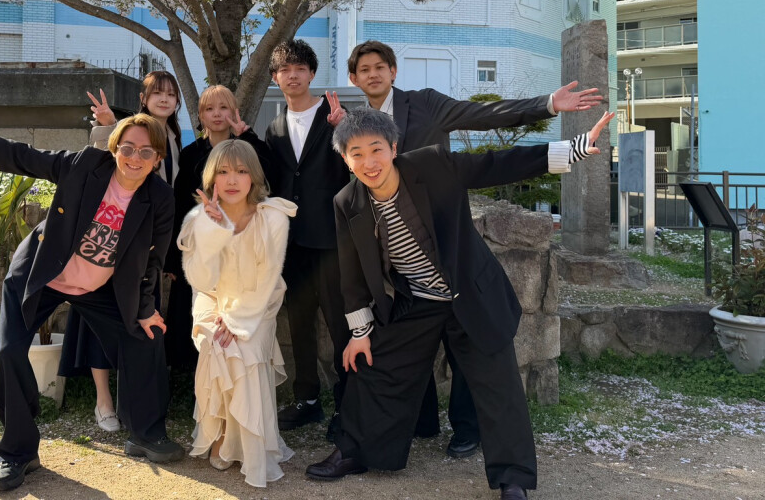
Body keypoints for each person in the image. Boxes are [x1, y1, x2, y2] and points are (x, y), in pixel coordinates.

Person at [304, 107, 613, 500]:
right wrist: (360, 333)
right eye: (357, 154)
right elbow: (352, 273)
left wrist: (575, 148)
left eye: (376, 149)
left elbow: (496, 164)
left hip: (469, 291)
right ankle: (354, 451)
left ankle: (513, 477)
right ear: (346, 160)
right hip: (418, 300)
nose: (369, 162)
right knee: (374, 365)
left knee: (498, 384)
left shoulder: (431, 165)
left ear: (393, 147)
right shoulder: (347, 201)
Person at [345, 40, 603, 457]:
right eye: (364, 69)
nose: (372, 74)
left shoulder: (425, 104)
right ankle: (417, 424)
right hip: (401, 261)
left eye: (380, 66)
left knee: (470, 340)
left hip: (449, 248)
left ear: (393, 71)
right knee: (405, 344)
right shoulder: (354, 126)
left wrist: (547, 105)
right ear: (353, 78)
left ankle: (467, 428)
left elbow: (484, 116)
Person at [0, 95, 183, 492]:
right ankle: (18, 453)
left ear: (157, 158)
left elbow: (153, 260)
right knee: (11, 351)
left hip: (97, 287)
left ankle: (146, 433)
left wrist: (145, 309)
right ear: (113, 148)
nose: (135, 157)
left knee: (146, 336)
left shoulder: (158, 198)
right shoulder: (83, 167)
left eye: (146, 151)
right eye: (127, 148)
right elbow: (18, 156)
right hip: (43, 274)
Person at [61, 71, 184, 432]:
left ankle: (138, 404)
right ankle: (103, 400)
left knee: (141, 321)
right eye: (157, 93)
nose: (164, 99)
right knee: (97, 322)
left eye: (171, 93)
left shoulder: (175, 139)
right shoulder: (126, 130)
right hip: (108, 244)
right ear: (143, 99)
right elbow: (100, 162)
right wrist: (107, 125)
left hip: (145, 248)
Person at [178, 139, 296, 487]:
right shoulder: (199, 218)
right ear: (211, 178)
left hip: (260, 304)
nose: (232, 180)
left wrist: (238, 319)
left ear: (253, 177)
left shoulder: (272, 215)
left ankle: (246, 443)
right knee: (215, 341)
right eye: (224, 171)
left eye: (242, 171)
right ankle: (221, 433)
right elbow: (201, 280)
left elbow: (268, 278)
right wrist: (211, 230)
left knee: (240, 347)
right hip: (212, 299)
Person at [263, 39, 349, 438]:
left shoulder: (335, 117)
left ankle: (349, 404)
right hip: (292, 243)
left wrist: (344, 129)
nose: (292, 75)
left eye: (300, 68)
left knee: (340, 322)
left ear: (312, 74)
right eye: (285, 70)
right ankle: (308, 401)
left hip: (331, 240)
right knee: (298, 323)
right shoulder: (274, 127)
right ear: (275, 77)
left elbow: (356, 166)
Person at [165, 85, 274, 370]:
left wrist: (247, 135)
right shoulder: (191, 154)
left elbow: (270, 174)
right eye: (209, 109)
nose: (216, 114)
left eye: (223, 107)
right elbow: (179, 206)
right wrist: (173, 258)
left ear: (234, 111)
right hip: (199, 246)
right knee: (195, 312)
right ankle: (197, 376)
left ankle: (234, 372)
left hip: (240, 244)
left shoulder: (246, 148)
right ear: (200, 115)